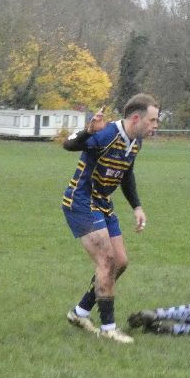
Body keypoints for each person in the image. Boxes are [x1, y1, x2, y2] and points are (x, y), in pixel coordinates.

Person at [62, 94, 160, 343]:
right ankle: (109, 329)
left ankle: (80, 313)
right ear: (136, 118)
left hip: (103, 203)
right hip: (82, 200)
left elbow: (126, 175)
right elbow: (69, 145)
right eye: (152, 120)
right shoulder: (107, 135)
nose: (155, 126)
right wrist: (87, 131)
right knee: (107, 260)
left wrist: (137, 206)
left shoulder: (135, 142)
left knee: (121, 262)